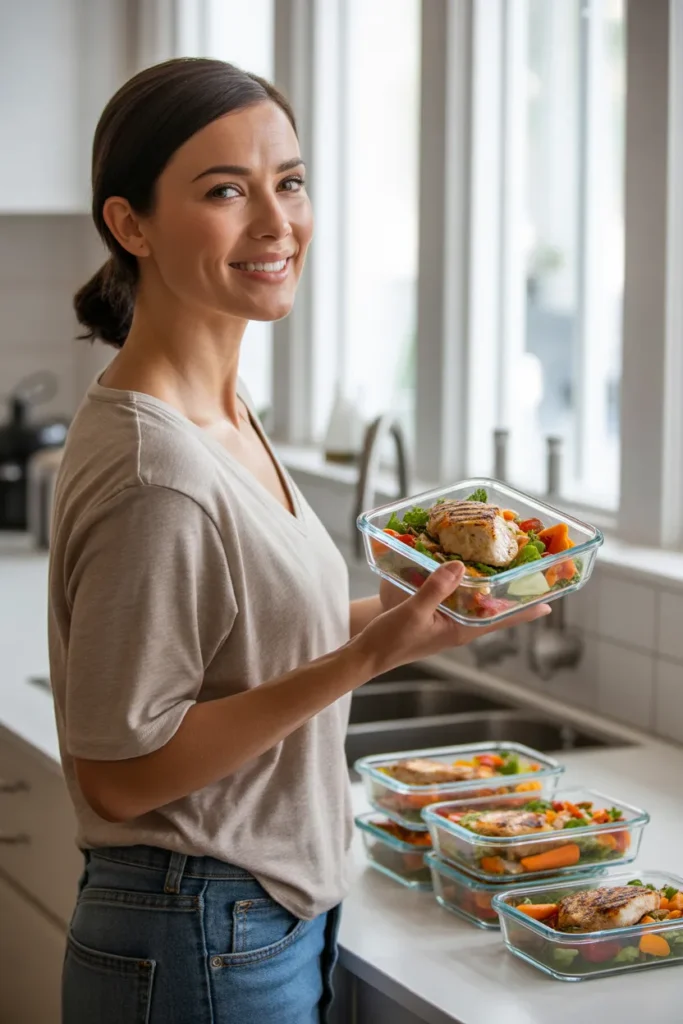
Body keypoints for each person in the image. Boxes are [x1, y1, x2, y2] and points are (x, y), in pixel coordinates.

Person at [48, 57, 551, 1024]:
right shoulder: (162, 470)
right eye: (225, 191)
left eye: (289, 181)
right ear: (131, 224)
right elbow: (119, 774)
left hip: (246, 922)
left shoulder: (220, 414)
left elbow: (243, 645)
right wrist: (367, 656)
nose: (276, 223)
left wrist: (409, 619)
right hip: (196, 928)